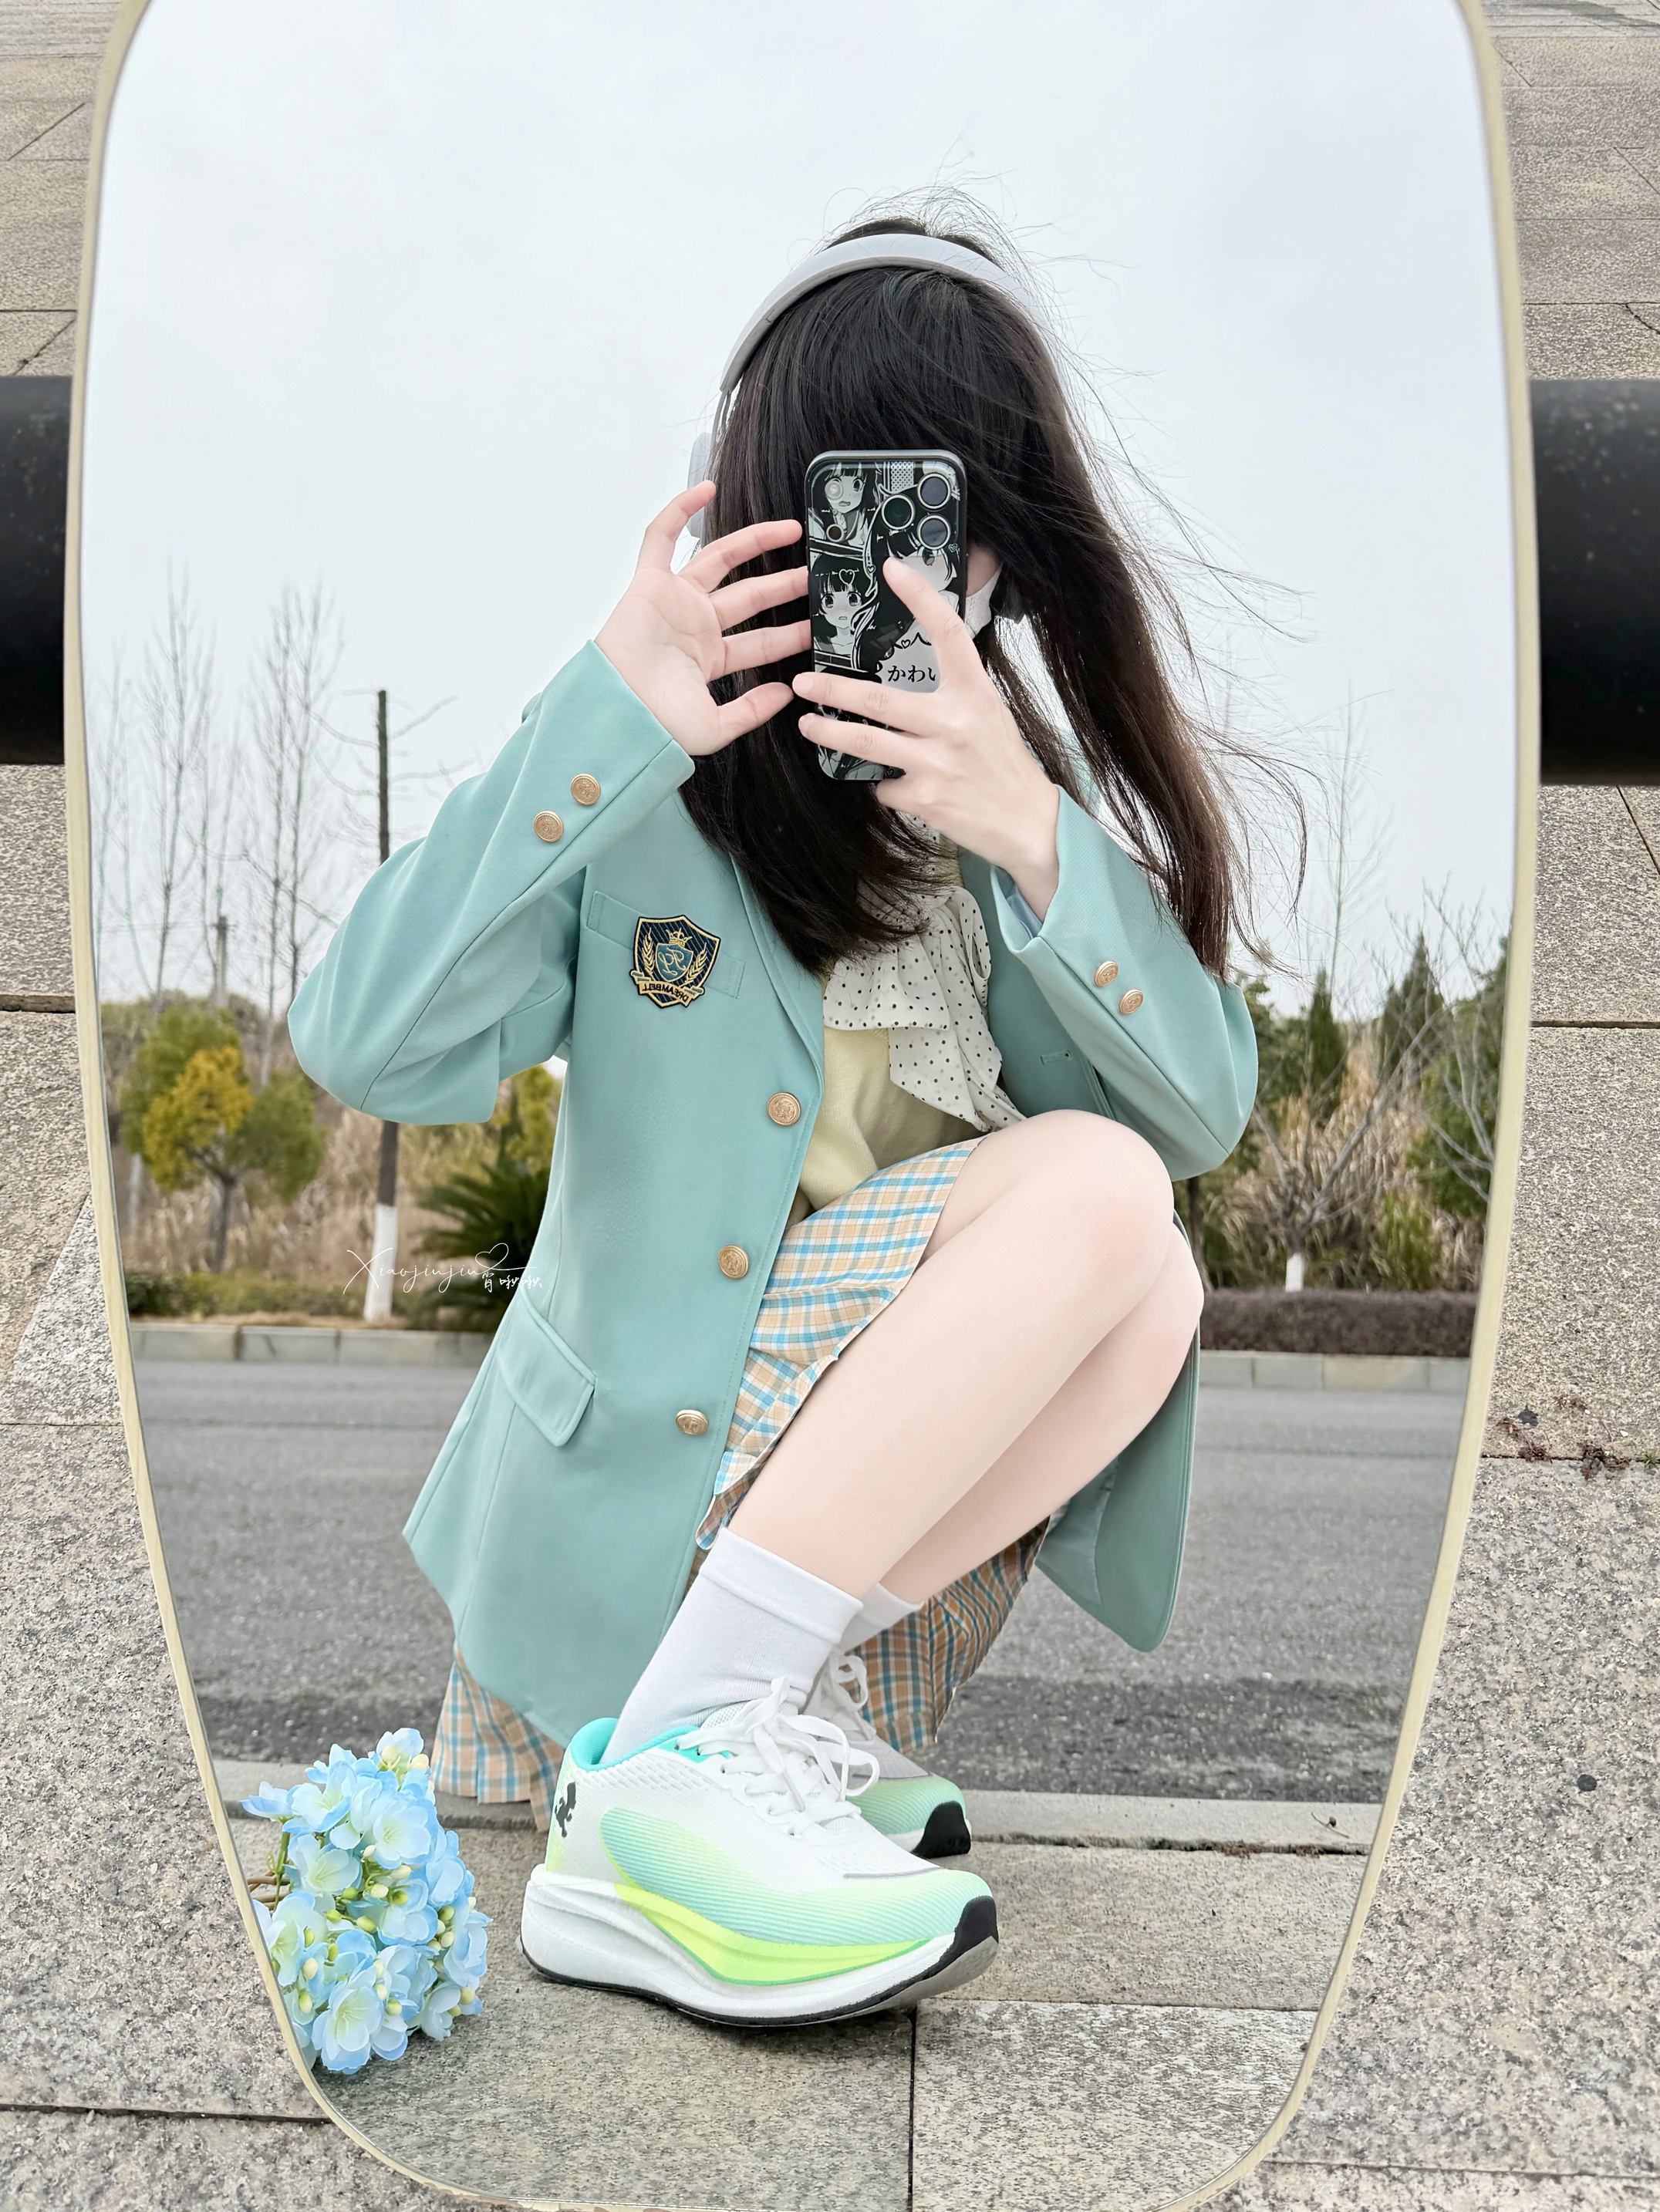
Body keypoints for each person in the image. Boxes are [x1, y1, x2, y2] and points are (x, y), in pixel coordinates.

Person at [288, 211, 1258, 2028]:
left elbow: (1202, 1114)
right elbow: (364, 1040)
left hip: (808, 1597)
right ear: (753, 503)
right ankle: (674, 1767)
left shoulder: (1008, 821)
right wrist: (603, 712)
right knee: (1092, 1189)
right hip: (624, 1523)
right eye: (843, 503)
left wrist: (1032, 836)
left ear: (999, 553)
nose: (890, 572)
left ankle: (729, 1729)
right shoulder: (648, 784)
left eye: (937, 518)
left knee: (1152, 1271)